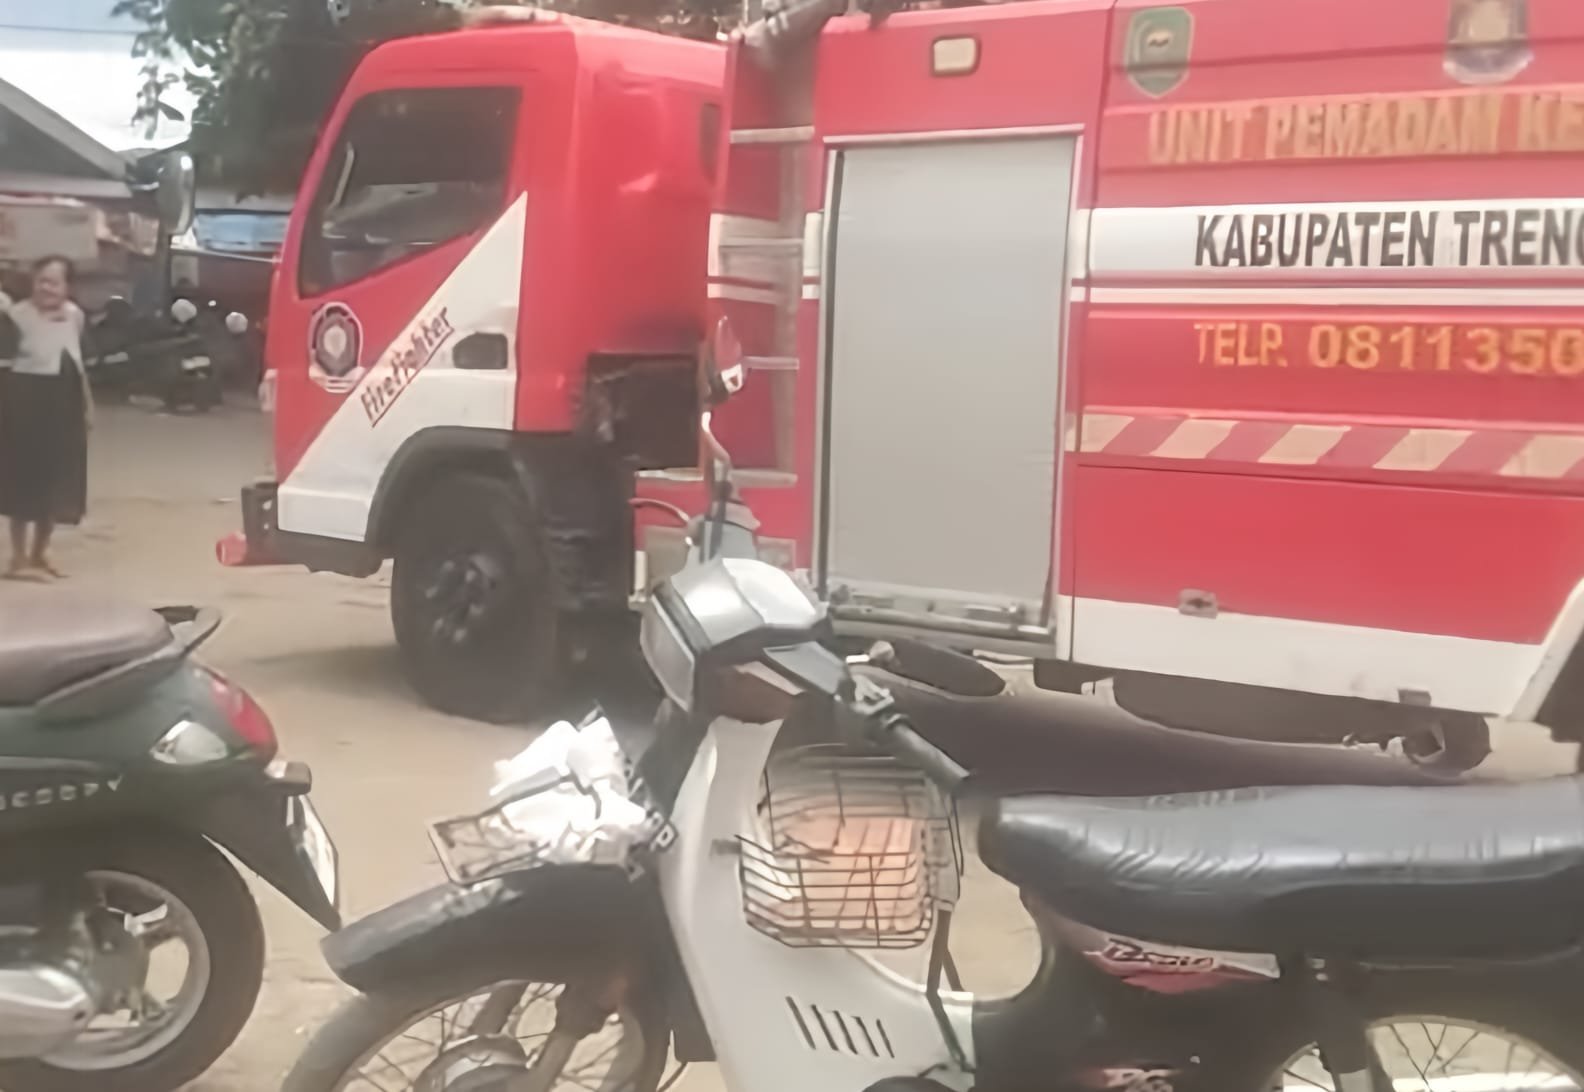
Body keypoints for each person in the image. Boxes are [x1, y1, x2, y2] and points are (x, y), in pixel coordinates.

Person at [0, 256, 92, 580]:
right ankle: (18, 556)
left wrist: (87, 407)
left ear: (68, 287)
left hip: (62, 401)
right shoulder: (15, 315)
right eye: (41, 280)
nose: (46, 287)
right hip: (24, 400)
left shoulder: (75, 316)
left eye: (54, 281)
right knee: (20, 479)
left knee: (54, 479)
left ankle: (40, 553)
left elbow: (77, 364)